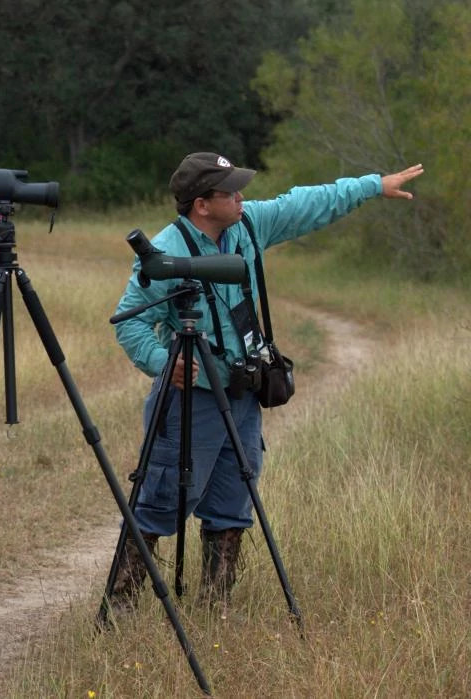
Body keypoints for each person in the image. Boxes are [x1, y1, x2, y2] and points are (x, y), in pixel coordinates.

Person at [110, 152, 424, 615]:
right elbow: (129, 322)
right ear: (201, 204)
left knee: (232, 502)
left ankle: (216, 608)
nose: (242, 196)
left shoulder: (249, 224)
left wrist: (373, 185)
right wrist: (164, 362)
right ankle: (119, 608)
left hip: (243, 391)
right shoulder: (165, 251)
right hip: (190, 399)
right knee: (161, 498)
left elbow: (308, 204)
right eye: (230, 191)